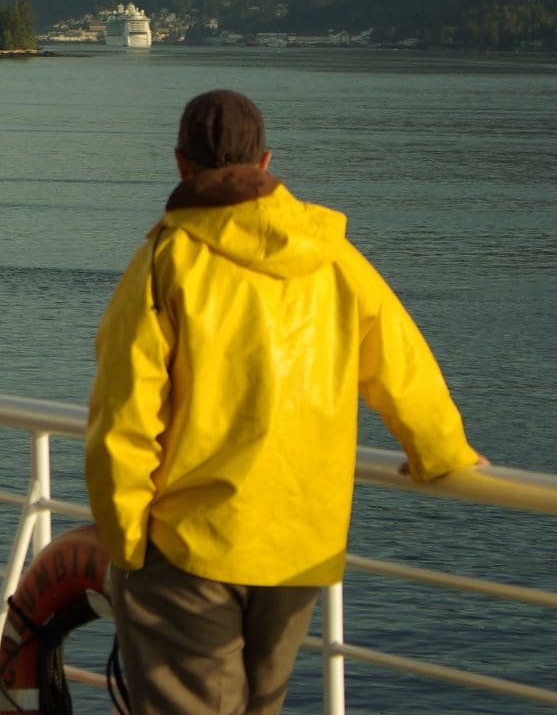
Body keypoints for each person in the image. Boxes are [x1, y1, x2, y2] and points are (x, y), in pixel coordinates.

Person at [85, 88, 485, 715]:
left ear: (181, 164)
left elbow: (122, 418)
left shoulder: (166, 262)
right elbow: (403, 367)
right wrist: (439, 453)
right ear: (267, 163)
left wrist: (127, 540)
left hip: (193, 543)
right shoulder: (334, 258)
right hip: (302, 544)